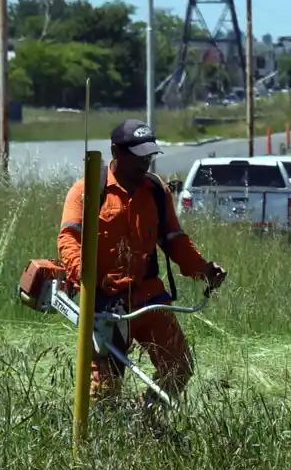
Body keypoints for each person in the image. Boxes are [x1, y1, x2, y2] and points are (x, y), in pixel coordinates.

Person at [57, 119, 226, 409]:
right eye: (138, 157)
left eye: (148, 157)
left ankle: (143, 421)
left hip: (149, 300)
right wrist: (85, 275)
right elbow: (68, 239)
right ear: (116, 152)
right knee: (105, 389)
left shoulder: (157, 192)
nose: (144, 164)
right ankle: (102, 438)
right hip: (105, 305)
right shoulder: (87, 190)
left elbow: (175, 240)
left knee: (179, 367)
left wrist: (203, 270)